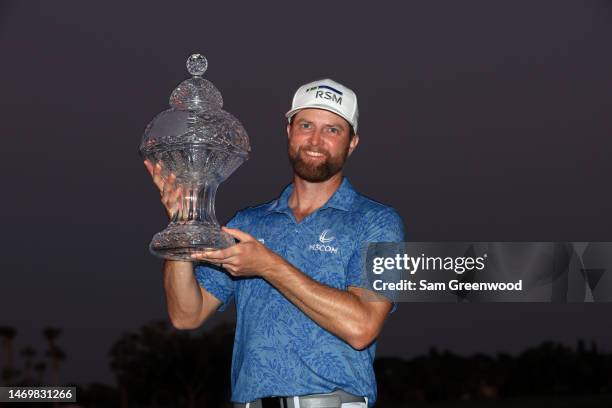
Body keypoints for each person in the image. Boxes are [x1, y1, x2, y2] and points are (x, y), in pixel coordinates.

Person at [144, 78, 405, 408]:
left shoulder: (378, 222)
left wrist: (268, 265)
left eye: (333, 130)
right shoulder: (249, 223)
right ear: (289, 132)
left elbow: (362, 326)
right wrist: (183, 224)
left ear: (352, 143)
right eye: (306, 125)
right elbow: (186, 315)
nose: (315, 140)